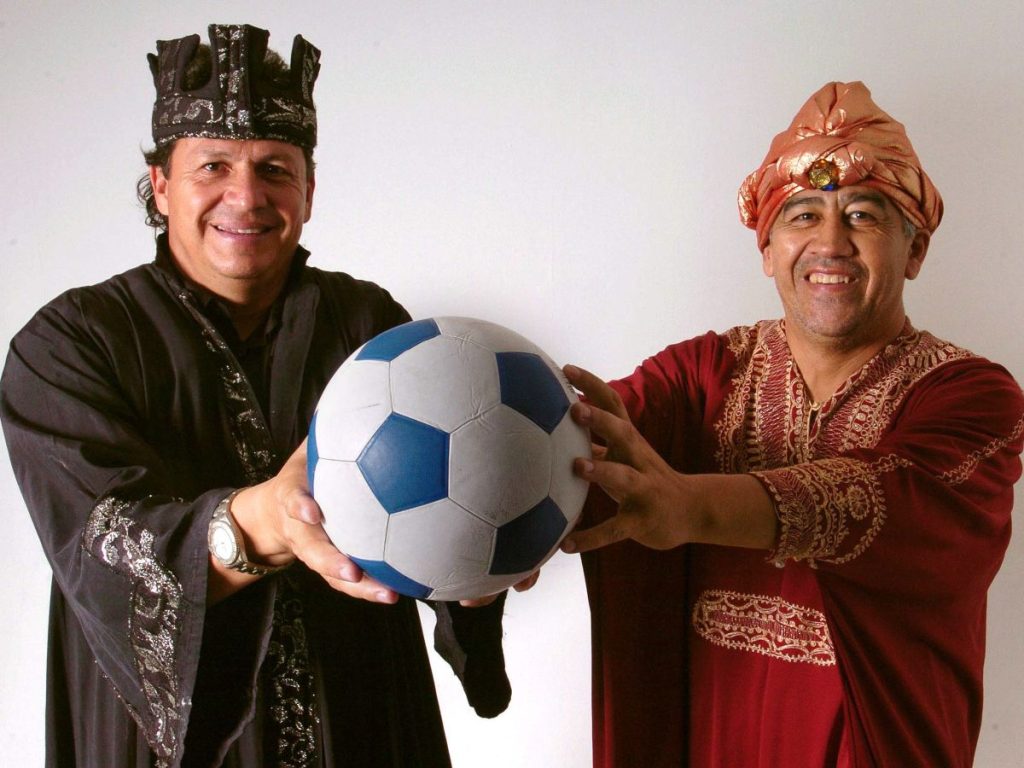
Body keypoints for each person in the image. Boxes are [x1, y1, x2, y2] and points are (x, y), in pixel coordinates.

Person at [1, 24, 516, 767]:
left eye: (275, 168)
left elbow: (435, 520)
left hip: (362, 719)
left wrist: (479, 559)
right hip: (156, 748)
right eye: (212, 165)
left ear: (309, 189)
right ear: (161, 186)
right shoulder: (69, 344)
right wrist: (257, 522)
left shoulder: (369, 326)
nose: (245, 196)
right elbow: (98, 547)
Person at [559, 82, 1024, 767]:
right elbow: (575, 444)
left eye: (864, 215)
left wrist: (688, 505)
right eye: (803, 215)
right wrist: (488, 534)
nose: (830, 243)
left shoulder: (970, 398)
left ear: (915, 251)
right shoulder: (700, 377)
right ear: (768, 249)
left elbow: (876, 499)